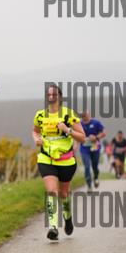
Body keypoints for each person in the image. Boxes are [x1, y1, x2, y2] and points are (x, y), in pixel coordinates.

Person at [32, 84, 85, 241]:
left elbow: (82, 137)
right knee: (52, 191)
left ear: (60, 97)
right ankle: (53, 226)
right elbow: (35, 131)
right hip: (46, 158)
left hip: (66, 160)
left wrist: (67, 130)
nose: (51, 97)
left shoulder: (68, 114)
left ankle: (67, 217)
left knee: (63, 193)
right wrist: (36, 139)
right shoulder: (40, 115)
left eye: (54, 94)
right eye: (48, 94)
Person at [78, 111, 105, 191]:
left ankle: (96, 177)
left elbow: (103, 133)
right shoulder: (79, 124)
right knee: (87, 166)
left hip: (95, 147)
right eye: (82, 115)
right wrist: (76, 144)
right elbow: (76, 135)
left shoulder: (96, 123)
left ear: (88, 114)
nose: (84, 116)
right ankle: (89, 185)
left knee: (95, 165)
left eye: (85, 115)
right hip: (84, 148)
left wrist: (96, 137)